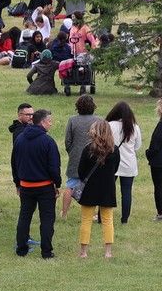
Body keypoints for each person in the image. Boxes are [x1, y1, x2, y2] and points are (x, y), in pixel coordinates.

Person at [12, 109, 61, 259]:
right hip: (45, 187)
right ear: (42, 122)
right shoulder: (48, 141)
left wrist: (17, 183)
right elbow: (54, 167)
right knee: (47, 219)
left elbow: (14, 163)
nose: (51, 124)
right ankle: (46, 252)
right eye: (49, 121)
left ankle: (21, 249)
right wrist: (57, 184)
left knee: (24, 216)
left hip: (26, 186)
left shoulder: (20, 139)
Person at [76, 120, 121, 259]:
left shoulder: (88, 149)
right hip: (107, 188)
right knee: (108, 220)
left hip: (90, 188)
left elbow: (81, 171)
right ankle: (108, 252)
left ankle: (83, 252)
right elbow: (116, 169)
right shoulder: (114, 150)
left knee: (86, 220)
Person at [61, 95, 101, 218]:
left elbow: (68, 141)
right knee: (94, 185)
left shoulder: (73, 120)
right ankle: (93, 213)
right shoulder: (99, 120)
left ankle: (64, 213)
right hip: (94, 157)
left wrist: (72, 152)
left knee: (70, 185)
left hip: (76, 157)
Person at [107, 101, 142, 224]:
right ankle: (124, 219)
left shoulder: (110, 125)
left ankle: (103, 216)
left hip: (112, 163)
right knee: (126, 192)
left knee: (108, 190)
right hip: (129, 164)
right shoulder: (135, 127)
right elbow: (137, 146)